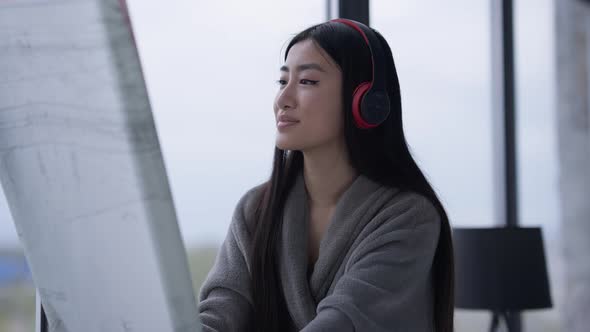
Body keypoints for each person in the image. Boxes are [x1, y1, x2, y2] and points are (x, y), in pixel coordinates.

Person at [198, 19, 454, 332]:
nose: (283, 99)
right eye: (282, 82)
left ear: (365, 102)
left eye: (306, 82)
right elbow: (219, 311)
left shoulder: (409, 217)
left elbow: (344, 322)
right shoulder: (255, 209)